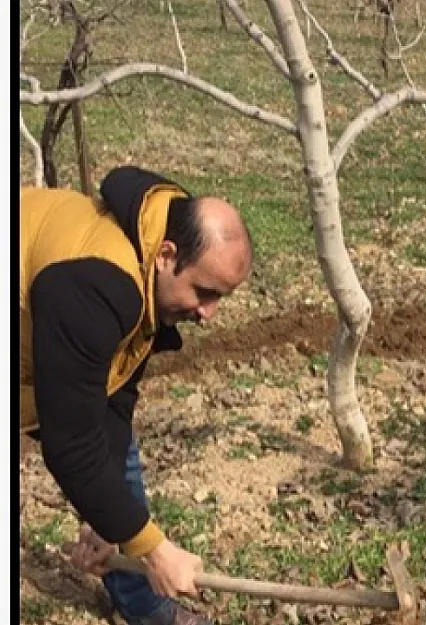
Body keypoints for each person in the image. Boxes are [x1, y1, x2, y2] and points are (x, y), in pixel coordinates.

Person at [19, 165, 254, 625]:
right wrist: (156, 551)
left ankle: (145, 609)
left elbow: (115, 393)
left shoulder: (150, 251)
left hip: (42, 345)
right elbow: (70, 444)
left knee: (117, 460)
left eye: (221, 297)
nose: (209, 314)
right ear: (168, 254)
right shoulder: (94, 285)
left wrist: (107, 522)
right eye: (204, 292)